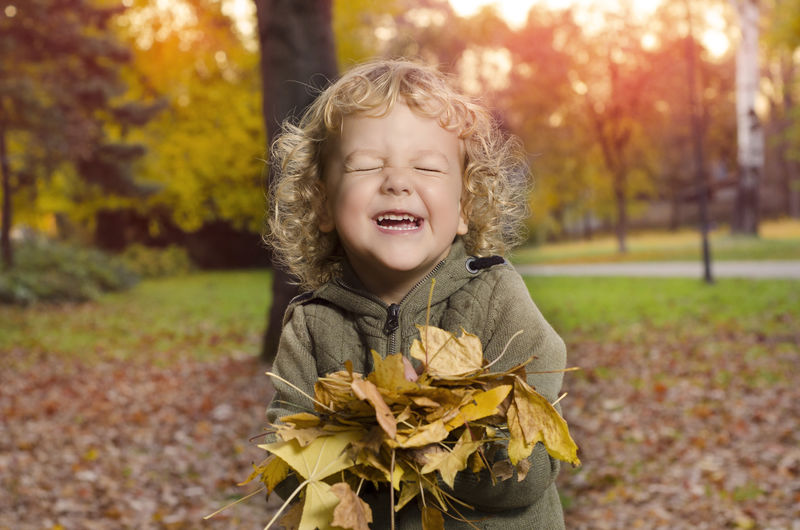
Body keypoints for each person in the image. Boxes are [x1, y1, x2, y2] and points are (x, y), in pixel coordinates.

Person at [265, 59, 568, 529]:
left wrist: (431, 432)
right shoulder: (311, 323)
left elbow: (527, 473)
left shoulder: (496, 299)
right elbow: (288, 470)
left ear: (464, 206)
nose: (397, 180)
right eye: (366, 165)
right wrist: (365, 432)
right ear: (322, 203)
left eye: (426, 166)